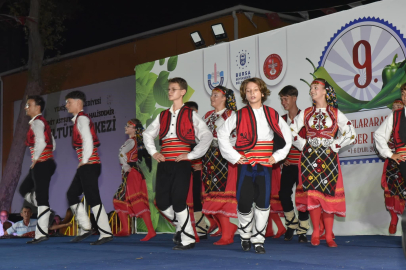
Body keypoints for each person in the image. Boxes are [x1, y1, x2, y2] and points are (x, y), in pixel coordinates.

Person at [217, 77, 292, 254]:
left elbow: (287, 137)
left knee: (263, 203)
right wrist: (235, 157)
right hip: (246, 165)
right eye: (248, 91)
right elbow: (222, 134)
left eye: (255, 90)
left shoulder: (271, 113)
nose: (252, 93)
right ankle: (245, 235)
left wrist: (277, 156)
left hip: (265, 165)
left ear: (262, 92)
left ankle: (258, 239)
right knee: (244, 202)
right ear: (245, 94)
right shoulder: (239, 115)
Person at [143, 77, 213, 250]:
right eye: (168, 89)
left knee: (179, 200)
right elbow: (147, 134)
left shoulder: (191, 114)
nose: (169, 92)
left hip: (181, 163)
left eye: (173, 89)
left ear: (183, 92)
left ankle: (187, 239)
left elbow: (207, 136)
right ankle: (183, 227)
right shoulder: (163, 115)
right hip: (165, 162)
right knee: (161, 201)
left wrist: (192, 155)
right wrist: (154, 152)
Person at [290, 78, 356, 247]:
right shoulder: (305, 113)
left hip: (328, 158)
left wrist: (335, 144)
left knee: (328, 195)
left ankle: (328, 235)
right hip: (309, 158)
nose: (312, 90)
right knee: (313, 195)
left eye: (316, 87)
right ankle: (316, 232)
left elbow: (351, 133)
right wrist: (303, 143)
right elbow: (290, 131)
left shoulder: (335, 112)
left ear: (325, 91)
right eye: (311, 88)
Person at [65, 90, 113, 245]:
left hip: (90, 164)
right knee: (72, 194)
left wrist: (84, 160)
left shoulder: (82, 119)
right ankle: (86, 227)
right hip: (87, 165)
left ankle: (105, 233)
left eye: (69, 102)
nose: (66, 105)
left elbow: (88, 140)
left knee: (93, 198)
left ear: (78, 102)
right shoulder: (79, 119)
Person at [201, 86, 238, 245]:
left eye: (216, 95)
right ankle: (227, 228)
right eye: (212, 95)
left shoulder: (232, 115)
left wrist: (227, 150)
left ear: (224, 98)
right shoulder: (208, 116)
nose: (212, 98)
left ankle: (227, 233)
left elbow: (236, 138)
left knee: (220, 196)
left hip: (224, 159)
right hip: (209, 159)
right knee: (211, 195)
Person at [18, 95, 57, 244]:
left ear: (37, 107)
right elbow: (53, 143)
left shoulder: (37, 123)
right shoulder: (40, 122)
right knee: (24, 189)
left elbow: (41, 141)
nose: (26, 107)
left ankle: (41, 234)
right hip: (44, 163)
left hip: (42, 163)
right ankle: (46, 209)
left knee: (42, 198)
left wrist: (36, 158)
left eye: (29, 105)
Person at [275, 85, 310, 242]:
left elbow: (311, 142)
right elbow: (275, 142)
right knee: (283, 194)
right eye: (281, 99)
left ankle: (303, 230)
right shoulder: (281, 120)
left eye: (286, 99)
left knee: (303, 197)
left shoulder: (306, 117)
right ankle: (291, 223)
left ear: (294, 98)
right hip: (288, 164)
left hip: (304, 164)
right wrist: (282, 158)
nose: (283, 102)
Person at [113, 118, 156, 241]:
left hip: (132, 173)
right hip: (132, 173)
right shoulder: (135, 141)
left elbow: (121, 153)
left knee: (137, 200)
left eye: (128, 126)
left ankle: (151, 231)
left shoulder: (131, 142)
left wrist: (125, 165)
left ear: (134, 129)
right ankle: (125, 229)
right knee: (118, 198)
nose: (125, 127)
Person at [374, 89, 406, 235]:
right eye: (403, 94)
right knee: (396, 194)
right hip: (400, 162)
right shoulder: (396, 115)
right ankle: (395, 222)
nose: (405, 97)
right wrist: (390, 154)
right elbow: (379, 135)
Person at [184, 101, 208, 239]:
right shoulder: (183, 130)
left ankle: (201, 228)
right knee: (187, 198)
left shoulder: (202, 129)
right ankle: (189, 228)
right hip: (187, 168)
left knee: (198, 198)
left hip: (200, 169)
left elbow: (208, 148)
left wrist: (202, 164)